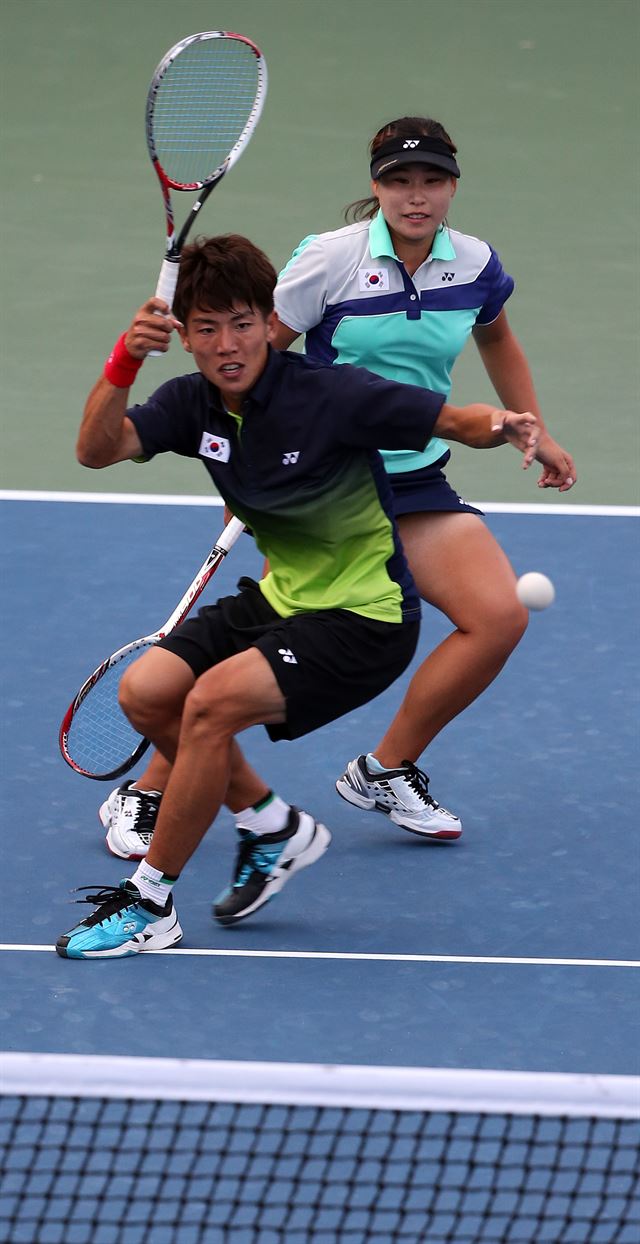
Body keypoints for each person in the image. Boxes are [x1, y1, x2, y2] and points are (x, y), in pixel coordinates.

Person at [98, 115, 576, 860]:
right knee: (258, 670)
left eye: (431, 181)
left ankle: (385, 768)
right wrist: (247, 467)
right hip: (321, 487)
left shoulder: (475, 264)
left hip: (414, 481)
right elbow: (260, 351)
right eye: (398, 181)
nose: (415, 197)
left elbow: (497, 336)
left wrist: (534, 427)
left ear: (453, 186)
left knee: (498, 617)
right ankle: (146, 791)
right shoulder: (331, 261)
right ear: (376, 186)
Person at [57, 233, 540, 959]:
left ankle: (151, 902)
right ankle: (269, 823)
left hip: (364, 619)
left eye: (245, 323)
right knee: (148, 692)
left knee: (211, 707)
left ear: (270, 323)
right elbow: (97, 449)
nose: (229, 344)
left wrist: (509, 425)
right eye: (209, 328)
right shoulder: (191, 404)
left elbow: (449, 420)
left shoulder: (331, 393)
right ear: (184, 337)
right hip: (285, 599)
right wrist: (124, 361)